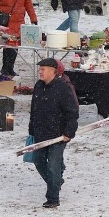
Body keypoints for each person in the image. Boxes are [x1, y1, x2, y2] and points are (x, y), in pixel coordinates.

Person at [28, 58, 80, 208]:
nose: (40, 71)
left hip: (58, 136)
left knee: (53, 166)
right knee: (38, 162)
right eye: (40, 68)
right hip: (40, 135)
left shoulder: (62, 88)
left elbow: (72, 112)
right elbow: (34, 110)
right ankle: (56, 180)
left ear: (53, 71)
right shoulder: (38, 86)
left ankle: (53, 198)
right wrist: (32, 130)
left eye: (44, 68)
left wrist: (69, 132)